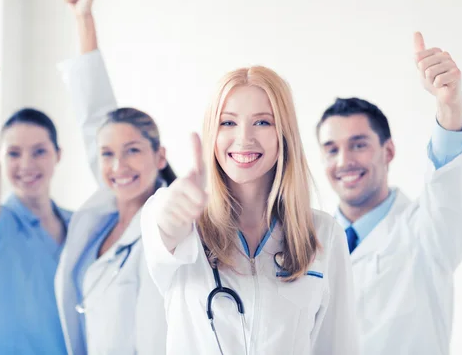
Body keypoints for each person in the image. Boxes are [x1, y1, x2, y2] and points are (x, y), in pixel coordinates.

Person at [140, 65, 359, 354]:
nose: (244, 138)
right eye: (228, 123)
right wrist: (172, 213)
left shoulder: (324, 234)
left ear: (285, 134)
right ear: (212, 134)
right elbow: (164, 225)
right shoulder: (181, 221)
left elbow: (338, 346)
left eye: (263, 122)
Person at [315, 32, 462, 355]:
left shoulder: (427, 231)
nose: (344, 161)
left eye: (358, 145)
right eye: (331, 149)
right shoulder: (308, 241)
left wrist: (450, 108)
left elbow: (447, 188)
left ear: (388, 151)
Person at [54, 0, 172, 355]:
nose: (118, 165)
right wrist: (83, 20)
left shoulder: (171, 228)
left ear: (160, 157)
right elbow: (93, 118)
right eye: (107, 154)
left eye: (133, 150)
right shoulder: (103, 218)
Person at [0, 40, 71, 354]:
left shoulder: (79, 224)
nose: (26, 165)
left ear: (58, 155)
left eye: (39, 151)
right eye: (13, 153)